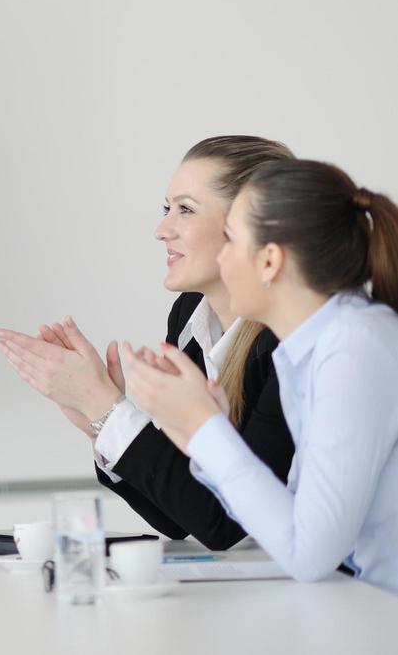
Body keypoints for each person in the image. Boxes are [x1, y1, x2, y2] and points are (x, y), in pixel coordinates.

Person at [0, 136, 296, 548]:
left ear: (249, 228)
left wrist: (107, 407)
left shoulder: (290, 341)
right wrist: (99, 423)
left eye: (185, 210)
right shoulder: (191, 315)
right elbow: (180, 517)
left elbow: (222, 525)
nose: (161, 230)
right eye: (166, 208)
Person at [124, 159, 398, 593]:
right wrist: (202, 436)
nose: (222, 257)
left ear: (270, 261)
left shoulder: (353, 347)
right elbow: (289, 522)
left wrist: (204, 430)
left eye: (230, 240)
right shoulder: (310, 349)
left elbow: (308, 552)